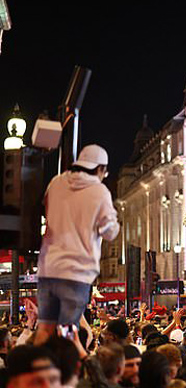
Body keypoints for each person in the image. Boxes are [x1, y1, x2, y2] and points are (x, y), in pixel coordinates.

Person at [36, 144, 120, 345]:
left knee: (44, 330)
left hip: (48, 268)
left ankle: (35, 369)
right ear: (100, 169)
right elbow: (110, 231)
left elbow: (44, 208)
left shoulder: (56, 183)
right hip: (76, 272)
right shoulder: (99, 191)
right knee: (66, 334)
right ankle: (61, 374)